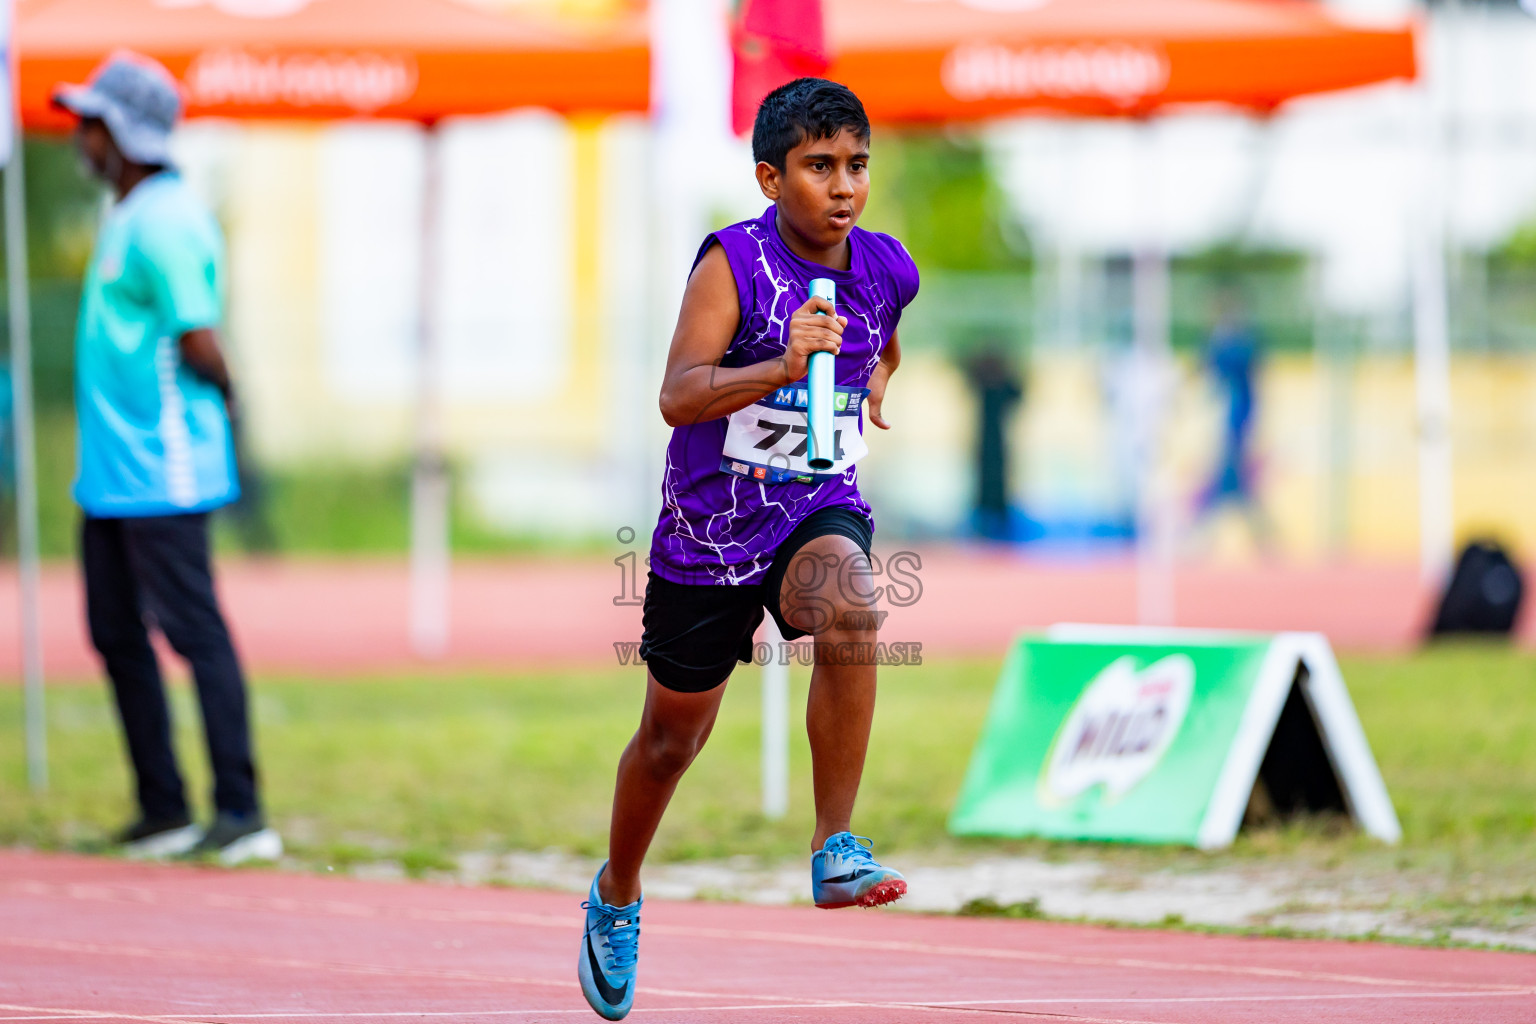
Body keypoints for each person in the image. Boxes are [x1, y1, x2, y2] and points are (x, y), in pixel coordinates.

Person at [577, 77, 920, 1021]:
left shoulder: (887, 266)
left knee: (854, 600)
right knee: (670, 739)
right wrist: (783, 364)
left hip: (817, 507)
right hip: (709, 532)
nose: (843, 186)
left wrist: (879, 373)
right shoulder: (733, 264)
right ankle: (617, 894)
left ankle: (835, 846)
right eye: (818, 168)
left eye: (856, 165)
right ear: (772, 178)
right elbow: (680, 395)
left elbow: (888, 331)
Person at [53, 53, 280, 864]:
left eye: (89, 121)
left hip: (164, 467)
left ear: (121, 133)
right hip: (113, 472)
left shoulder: (168, 218)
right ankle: (163, 808)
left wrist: (230, 402)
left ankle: (242, 813)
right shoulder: (129, 208)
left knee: (195, 632)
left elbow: (199, 335)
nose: (78, 135)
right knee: (115, 632)